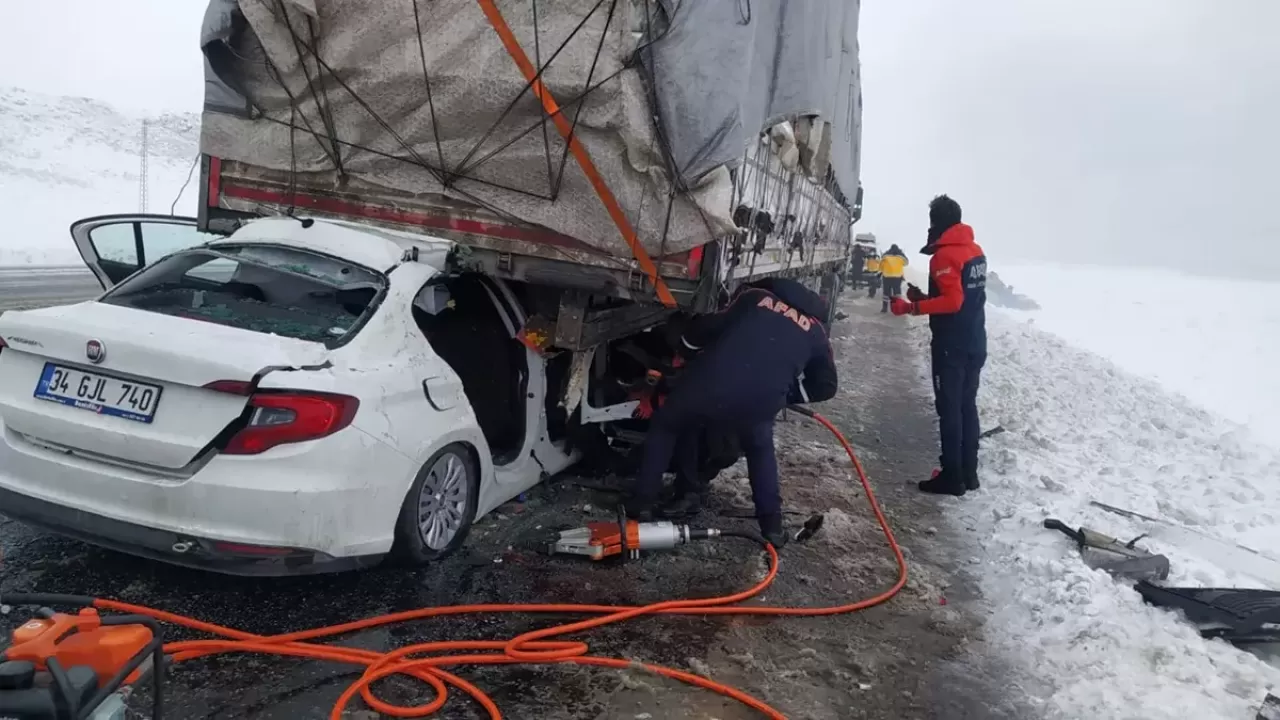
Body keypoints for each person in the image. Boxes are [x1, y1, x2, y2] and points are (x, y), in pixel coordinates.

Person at [628, 278, 839, 547]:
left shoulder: (755, 298)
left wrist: (686, 346)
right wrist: (785, 395)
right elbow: (827, 386)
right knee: (760, 452)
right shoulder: (817, 333)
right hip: (760, 404)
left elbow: (702, 331)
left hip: (707, 386)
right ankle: (772, 530)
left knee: (667, 425)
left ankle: (643, 503)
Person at [890, 195, 987, 496]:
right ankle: (969, 475)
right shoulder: (975, 251)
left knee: (949, 409)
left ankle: (951, 477)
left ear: (936, 222)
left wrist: (911, 309)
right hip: (974, 341)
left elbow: (954, 301)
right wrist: (924, 299)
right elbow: (965, 297)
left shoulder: (944, 257)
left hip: (951, 347)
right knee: (967, 406)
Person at [878, 244, 908, 313]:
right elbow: (906, 263)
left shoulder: (885, 255)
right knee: (897, 293)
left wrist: (881, 272)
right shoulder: (901, 256)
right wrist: (901, 253)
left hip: (887, 276)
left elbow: (881, 264)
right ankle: (897, 308)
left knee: (886, 293)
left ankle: (884, 308)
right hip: (897, 277)